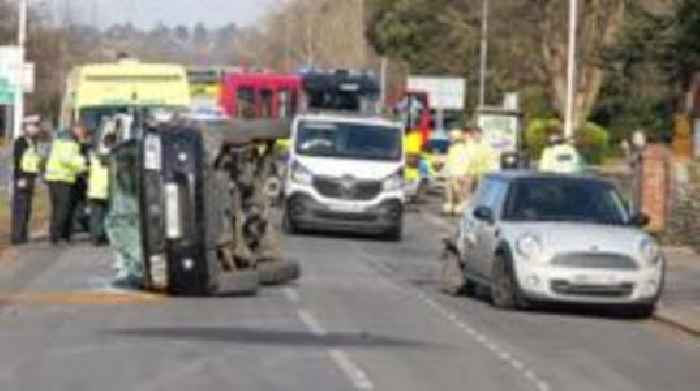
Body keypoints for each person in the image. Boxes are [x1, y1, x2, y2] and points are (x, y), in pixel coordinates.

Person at [45, 123, 88, 245]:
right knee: (63, 208)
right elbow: (67, 159)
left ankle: (59, 235)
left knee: (58, 208)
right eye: (82, 132)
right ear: (76, 131)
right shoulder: (67, 142)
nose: (83, 135)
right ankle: (57, 235)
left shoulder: (63, 141)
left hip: (58, 178)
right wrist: (83, 163)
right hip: (61, 179)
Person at [10, 116, 43, 245]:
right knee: (20, 207)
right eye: (34, 126)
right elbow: (18, 161)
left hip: (31, 177)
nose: (36, 128)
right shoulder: (20, 142)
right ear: (26, 127)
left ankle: (23, 234)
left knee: (27, 208)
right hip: (22, 178)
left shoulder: (32, 142)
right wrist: (20, 178)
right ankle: (17, 236)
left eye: (36, 126)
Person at [87, 126, 116, 246]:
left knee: (96, 216)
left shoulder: (94, 154)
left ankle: (95, 237)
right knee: (106, 216)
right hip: (106, 189)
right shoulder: (111, 155)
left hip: (94, 189)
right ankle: (104, 236)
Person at [443, 128, 472, 216]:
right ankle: (453, 207)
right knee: (454, 191)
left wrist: (466, 173)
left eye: (451, 137)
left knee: (457, 191)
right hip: (456, 173)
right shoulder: (456, 148)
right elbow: (449, 161)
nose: (450, 138)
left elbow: (465, 161)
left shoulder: (460, 148)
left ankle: (457, 207)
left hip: (457, 173)